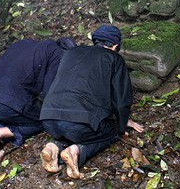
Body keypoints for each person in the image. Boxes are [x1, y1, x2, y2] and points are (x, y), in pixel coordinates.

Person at [40, 25, 144, 179]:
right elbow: (121, 100)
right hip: (79, 124)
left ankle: (53, 146)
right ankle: (76, 152)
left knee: (69, 130)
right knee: (110, 133)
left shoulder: (70, 53)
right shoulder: (113, 58)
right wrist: (121, 125)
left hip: (48, 119)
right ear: (115, 45)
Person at [0, 37, 76, 157]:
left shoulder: (24, 43)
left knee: (19, 114)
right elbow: (49, 94)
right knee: (44, 122)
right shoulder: (58, 54)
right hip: (2, 104)